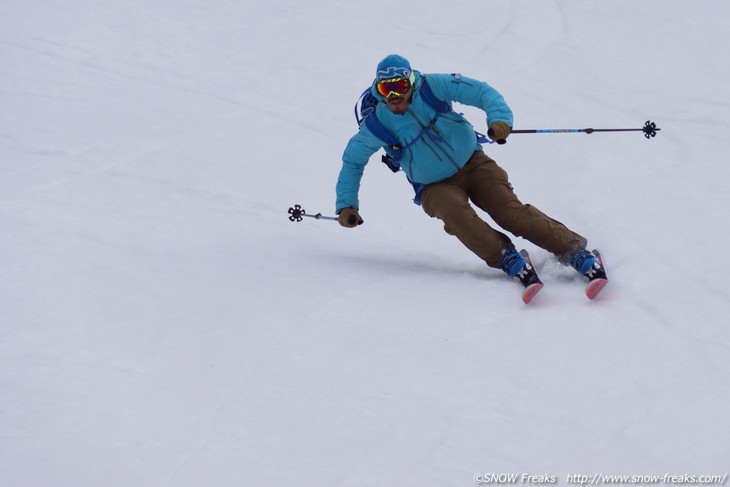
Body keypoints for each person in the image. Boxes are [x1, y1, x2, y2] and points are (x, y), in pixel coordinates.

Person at [335, 54, 606, 296]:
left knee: (509, 213)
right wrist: (347, 204)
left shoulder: (432, 86)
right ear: (378, 90)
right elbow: (352, 162)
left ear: (411, 82)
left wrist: (499, 120)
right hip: (432, 185)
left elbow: (482, 92)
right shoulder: (376, 124)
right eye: (386, 89)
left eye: (399, 86)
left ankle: (575, 251)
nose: (394, 96)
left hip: (473, 163)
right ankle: (507, 258)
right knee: (457, 215)